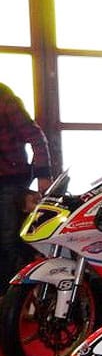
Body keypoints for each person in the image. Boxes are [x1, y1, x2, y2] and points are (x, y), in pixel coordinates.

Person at [0, 83, 52, 295]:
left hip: (10, 179)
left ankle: (15, 296)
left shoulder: (4, 97)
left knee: (8, 239)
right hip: (11, 177)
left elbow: (36, 137)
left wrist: (43, 173)